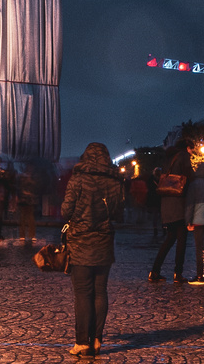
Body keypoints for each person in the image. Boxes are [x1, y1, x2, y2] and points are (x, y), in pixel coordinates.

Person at [61, 141, 127, 356]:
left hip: (80, 242)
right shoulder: (115, 182)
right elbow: (118, 214)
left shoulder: (78, 179)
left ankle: (82, 342)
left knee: (82, 293)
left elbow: (66, 211)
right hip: (104, 241)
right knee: (100, 292)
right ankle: (97, 339)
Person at [148, 159, 190, 283]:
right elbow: (190, 181)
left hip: (167, 209)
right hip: (179, 209)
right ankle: (178, 273)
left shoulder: (167, 164)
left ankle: (155, 271)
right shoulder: (183, 158)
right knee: (181, 242)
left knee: (169, 239)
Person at [17, 166, 42, 246]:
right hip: (28, 199)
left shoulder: (24, 179)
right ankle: (28, 235)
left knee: (26, 217)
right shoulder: (29, 179)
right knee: (27, 217)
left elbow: (20, 188)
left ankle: (25, 235)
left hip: (26, 199)